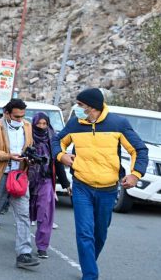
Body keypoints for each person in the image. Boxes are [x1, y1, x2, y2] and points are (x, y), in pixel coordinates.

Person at [52, 88, 148, 280]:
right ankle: (90, 275)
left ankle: (88, 264)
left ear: (91, 106)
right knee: (85, 232)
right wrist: (61, 156)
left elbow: (139, 149)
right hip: (82, 186)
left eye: (80, 105)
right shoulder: (74, 124)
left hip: (108, 189)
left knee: (100, 233)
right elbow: (57, 141)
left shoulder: (118, 123)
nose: (77, 108)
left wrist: (135, 175)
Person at [0, 98, 40, 269]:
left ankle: (24, 253)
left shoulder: (27, 126)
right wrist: (8, 156)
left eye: (22, 116)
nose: (20, 120)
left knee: (23, 214)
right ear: (7, 113)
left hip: (19, 176)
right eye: (17, 116)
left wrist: (30, 158)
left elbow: (30, 146)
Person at [28, 112, 71, 259]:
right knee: (25, 213)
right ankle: (23, 241)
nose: (41, 127)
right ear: (33, 124)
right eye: (38, 124)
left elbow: (58, 163)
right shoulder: (27, 137)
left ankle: (42, 246)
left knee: (45, 213)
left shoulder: (53, 140)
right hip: (27, 181)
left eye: (44, 124)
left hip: (46, 180)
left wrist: (65, 184)